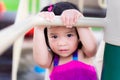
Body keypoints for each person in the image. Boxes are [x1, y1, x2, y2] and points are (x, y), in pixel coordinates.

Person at [33, 2, 98, 80]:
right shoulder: (52, 61)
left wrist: (79, 19)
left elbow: (92, 48)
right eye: (54, 36)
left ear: (79, 36)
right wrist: (39, 29)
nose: (61, 43)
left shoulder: (84, 53)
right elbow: (41, 61)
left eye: (69, 35)